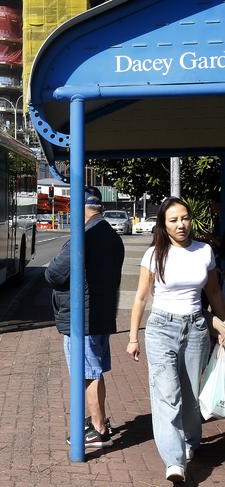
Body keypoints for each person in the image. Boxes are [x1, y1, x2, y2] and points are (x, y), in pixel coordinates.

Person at [127, 196, 225, 483]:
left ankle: (191, 442)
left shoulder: (204, 251)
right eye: (173, 220)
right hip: (160, 329)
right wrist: (133, 337)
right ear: (164, 224)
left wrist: (222, 324)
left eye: (184, 218)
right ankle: (174, 462)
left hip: (195, 328)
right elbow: (141, 297)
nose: (181, 224)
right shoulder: (154, 254)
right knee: (167, 395)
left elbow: (214, 294)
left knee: (191, 395)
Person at [45, 186, 125, 448]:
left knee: (87, 373)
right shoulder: (111, 235)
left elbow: (55, 274)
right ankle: (97, 420)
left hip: (83, 317)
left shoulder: (84, 236)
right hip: (101, 314)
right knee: (95, 371)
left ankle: (99, 429)